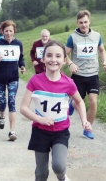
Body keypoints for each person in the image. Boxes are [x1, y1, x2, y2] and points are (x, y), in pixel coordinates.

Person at [21, 40, 91, 181]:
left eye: (58, 56)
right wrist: (40, 119)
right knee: (41, 174)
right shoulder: (35, 81)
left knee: (58, 166)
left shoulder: (68, 83)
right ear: (43, 58)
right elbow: (23, 108)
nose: (53, 59)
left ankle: (62, 177)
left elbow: (79, 101)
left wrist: (84, 120)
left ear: (64, 60)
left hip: (60, 132)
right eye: (49, 55)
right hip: (40, 132)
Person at [65, 10, 106, 140]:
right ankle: (72, 103)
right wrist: (70, 64)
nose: (83, 25)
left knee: (93, 102)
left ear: (89, 21)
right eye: (81, 23)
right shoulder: (72, 37)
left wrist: (105, 62)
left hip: (93, 74)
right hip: (78, 75)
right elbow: (64, 53)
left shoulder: (97, 36)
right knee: (79, 101)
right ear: (77, 23)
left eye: (85, 22)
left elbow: (102, 50)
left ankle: (87, 128)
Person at [0, 20, 26, 141]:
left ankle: (12, 131)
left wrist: (22, 66)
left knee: (12, 101)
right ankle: (1, 114)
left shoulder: (18, 43)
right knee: (3, 102)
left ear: (14, 31)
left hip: (13, 77)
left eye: (10, 30)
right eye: (6, 31)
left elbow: (21, 57)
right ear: (2, 32)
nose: (8, 33)